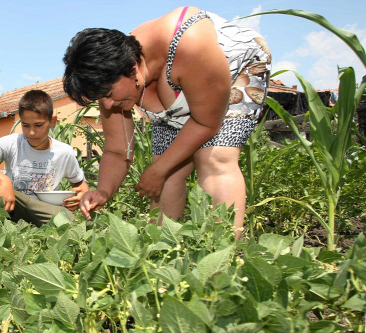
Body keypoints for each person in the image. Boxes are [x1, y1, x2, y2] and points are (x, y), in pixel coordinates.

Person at [62, 6, 271, 238]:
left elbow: (206, 123)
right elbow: (117, 150)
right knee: (167, 168)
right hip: (175, 91)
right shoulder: (108, 82)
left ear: (133, 68)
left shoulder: (188, 43)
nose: (107, 105)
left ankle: (221, 256)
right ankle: (161, 250)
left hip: (233, 71)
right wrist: (103, 191)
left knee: (214, 158)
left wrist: (158, 171)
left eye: (109, 95)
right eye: (102, 98)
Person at [0, 90, 89, 227]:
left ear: (52, 121)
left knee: (70, 224)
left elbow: (79, 183)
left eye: (38, 125)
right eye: (25, 125)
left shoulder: (64, 152)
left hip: (44, 208)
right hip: (13, 204)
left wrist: (82, 194)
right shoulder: (12, 142)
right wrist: (3, 180)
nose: (31, 132)